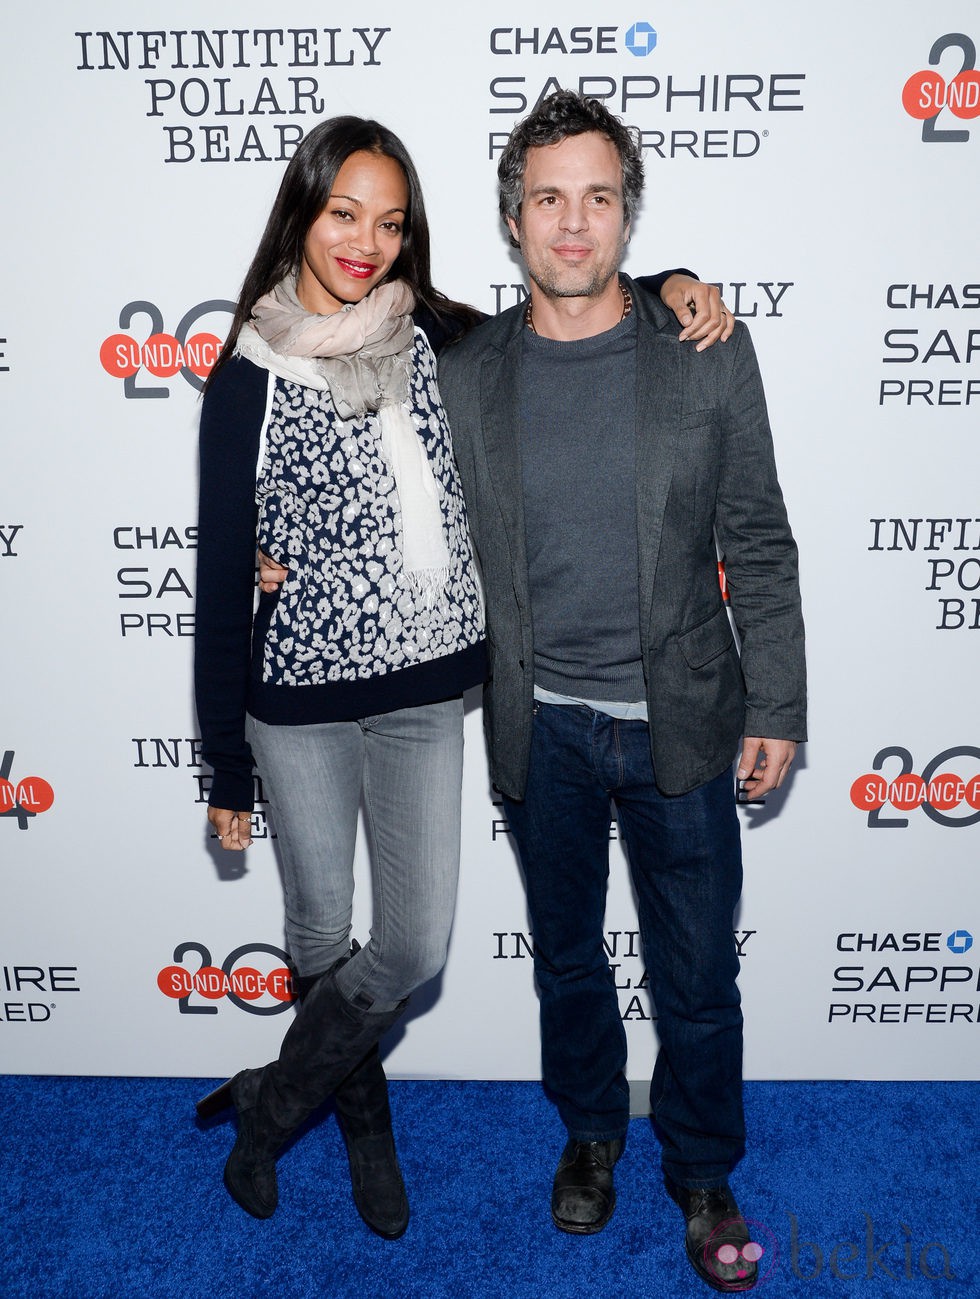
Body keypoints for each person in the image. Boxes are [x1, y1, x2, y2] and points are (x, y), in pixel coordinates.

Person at [194, 113, 726, 1239]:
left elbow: (577, 307)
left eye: (389, 223)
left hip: (430, 693)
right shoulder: (246, 373)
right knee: (320, 935)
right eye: (344, 213)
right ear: (301, 213)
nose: (364, 242)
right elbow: (220, 573)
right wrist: (225, 767)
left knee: (413, 947)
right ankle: (361, 1118)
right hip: (292, 702)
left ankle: (275, 1098)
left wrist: (676, 277)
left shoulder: (440, 340)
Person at [437, 92, 806, 1293]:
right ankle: (590, 1135)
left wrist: (777, 705)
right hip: (536, 725)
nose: (573, 222)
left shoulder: (702, 347)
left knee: (696, 975)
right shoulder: (466, 370)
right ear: (512, 220)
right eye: (548, 198)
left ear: (626, 212)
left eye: (598, 196)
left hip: (682, 722)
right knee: (565, 962)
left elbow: (755, 537)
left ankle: (701, 1170)